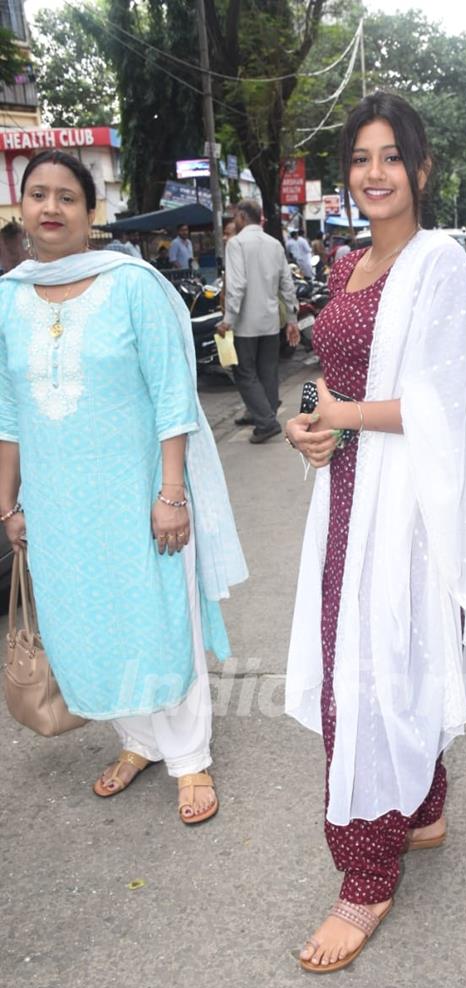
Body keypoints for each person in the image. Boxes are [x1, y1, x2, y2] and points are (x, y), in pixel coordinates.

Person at [284, 92, 466, 973]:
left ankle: (364, 876)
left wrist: (341, 411)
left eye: (392, 156)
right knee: (385, 661)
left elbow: (442, 403)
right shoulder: (349, 266)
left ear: (421, 170)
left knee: (373, 676)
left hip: (408, 509)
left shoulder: (442, 265)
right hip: (347, 495)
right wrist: (315, 427)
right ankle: (422, 811)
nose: (374, 173)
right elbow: (328, 382)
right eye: (359, 158)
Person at [0, 150, 247, 824]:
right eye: (37, 195)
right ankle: (138, 740)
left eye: (66, 197)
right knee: (90, 625)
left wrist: (172, 495)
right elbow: (9, 411)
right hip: (58, 505)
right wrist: (9, 501)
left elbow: (173, 397)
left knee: (161, 619)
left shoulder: (131, 285)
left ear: (89, 212)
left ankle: (189, 756)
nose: (50, 208)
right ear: (22, 208)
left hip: (139, 496)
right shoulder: (7, 298)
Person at [216, 199, 300, 444]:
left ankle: (265, 421)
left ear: (242, 216)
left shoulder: (237, 244)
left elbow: (237, 284)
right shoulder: (274, 244)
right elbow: (287, 283)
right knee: (268, 371)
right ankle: (264, 413)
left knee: (244, 373)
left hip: (245, 323)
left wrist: (228, 319)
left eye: (235, 217)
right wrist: (292, 319)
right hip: (270, 320)